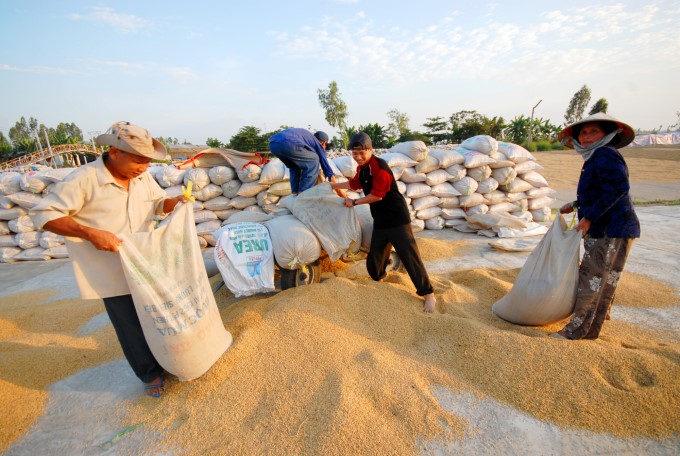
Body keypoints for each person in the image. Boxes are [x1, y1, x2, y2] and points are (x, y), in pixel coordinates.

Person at [31, 121, 187, 397]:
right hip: (111, 268)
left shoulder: (142, 177)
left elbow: (157, 204)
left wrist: (174, 204)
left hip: (146, 261)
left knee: (157, 316)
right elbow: (44, 214)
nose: (144, 167)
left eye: (148, 162)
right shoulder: (84, 179)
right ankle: (149, 374)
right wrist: (89, 233)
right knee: (130, 324)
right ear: (114, 152)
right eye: (138, 160)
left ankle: (172, 359)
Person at [552, 113, 640, 340]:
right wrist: (575, 205)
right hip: (615, 228)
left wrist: (588, 217)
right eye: (583, 132)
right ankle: (597, 320)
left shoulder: (605, 155)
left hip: (609, 228)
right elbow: (600, 191)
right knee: (604, 276)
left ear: (607, 134)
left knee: (592, 278)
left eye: (594, 131)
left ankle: (577, 331)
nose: (587, 136)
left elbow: (617, 189)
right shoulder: (596, 156)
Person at [330, 132, 437, 313]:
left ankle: (428, 294)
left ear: (370, 150)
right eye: (354, 154)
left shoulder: (380, 167)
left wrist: (354, 202)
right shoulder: (362, 169)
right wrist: (333, 186)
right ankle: (379, 280)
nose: (357, 157)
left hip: (396, 219)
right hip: (380, 220)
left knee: (409, 256)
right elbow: (354, 184)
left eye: (361, 153)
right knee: (376, 255)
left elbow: (377, 196)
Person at [268, 128, 340, 194]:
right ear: (324, 143)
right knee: (314, 160)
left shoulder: (306, 138)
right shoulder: (317, 143)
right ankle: (303, 194)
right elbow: (324, 162)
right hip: (289, 144)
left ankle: (294, 192)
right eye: (324, 147)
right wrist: (330, 175)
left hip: (273, 145)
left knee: (294, 167)